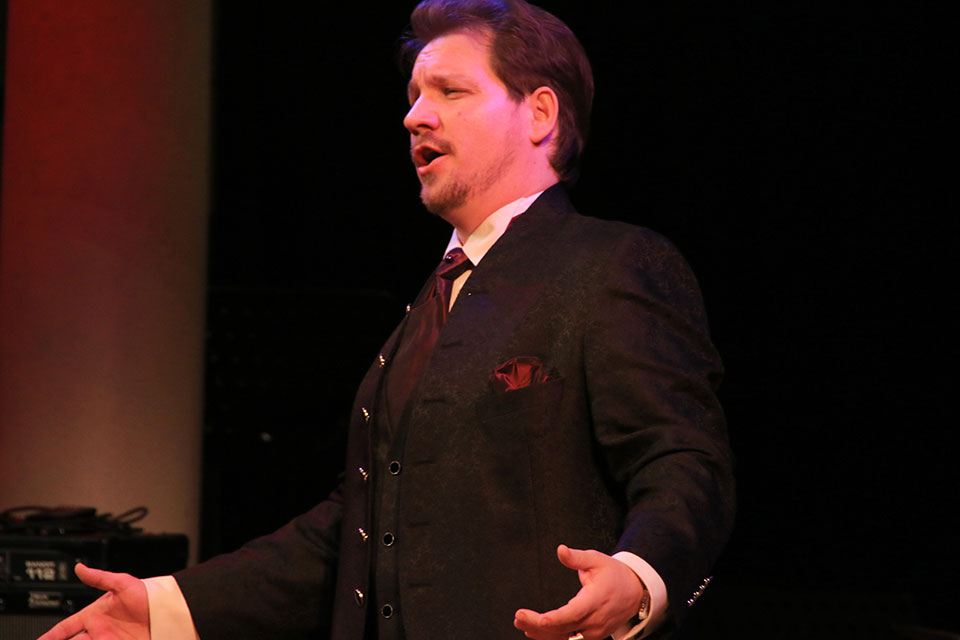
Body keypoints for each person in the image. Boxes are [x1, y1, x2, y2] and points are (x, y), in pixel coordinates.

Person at [39, 1, 734, 639]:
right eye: (413, 97)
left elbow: (681, 460)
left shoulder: (610, 264)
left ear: (539, 114)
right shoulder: (432, 303)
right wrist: (168, 606)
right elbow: (356, 531)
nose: (415, 118)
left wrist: (640, 575)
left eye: (450, 92)